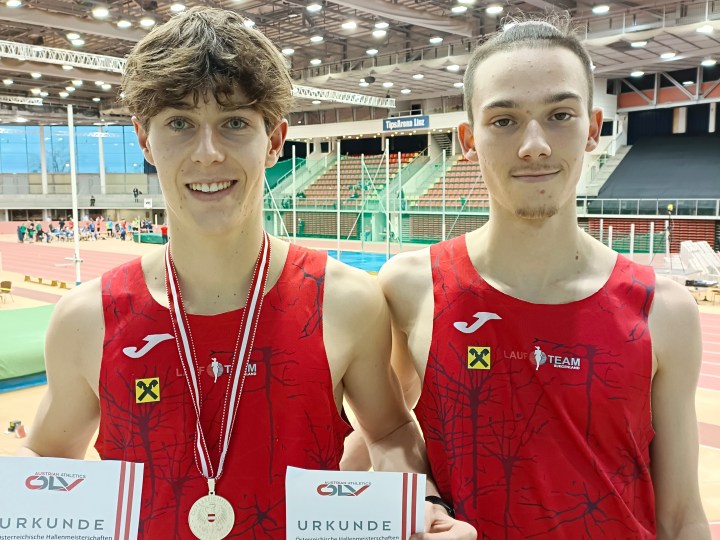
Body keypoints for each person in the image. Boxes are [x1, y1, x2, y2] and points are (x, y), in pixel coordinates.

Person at [18, 8, 474, 540]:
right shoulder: (86, 319)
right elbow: (47, 455)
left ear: (275, 140)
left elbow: (390, 430)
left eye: (234, 122)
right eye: (180, 123)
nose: (208, 154)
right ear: (144, 140)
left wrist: (422, 501)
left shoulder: (346, 301)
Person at [369, 16, 710, 539]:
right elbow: (386, 432)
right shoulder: (410, 288)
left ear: (593, 129)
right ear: (469, 139)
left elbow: (681, 517)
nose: (534, 145)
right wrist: (422, 498)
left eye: (559, 115)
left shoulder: (663, 309)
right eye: (504, 120)